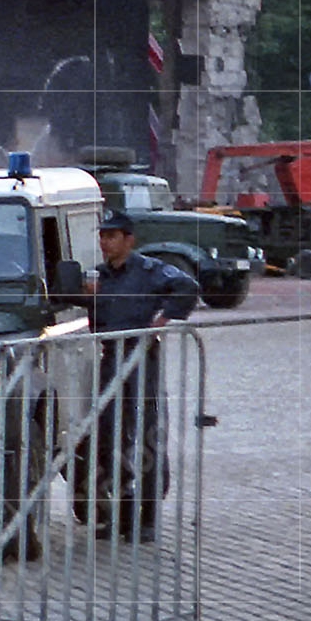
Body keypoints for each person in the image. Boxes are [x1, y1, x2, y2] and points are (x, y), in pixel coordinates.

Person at [74, 210, 198, 543]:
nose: (105, 242)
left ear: (130, 240)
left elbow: (187, 287)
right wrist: (84, 295)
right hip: (110, 360)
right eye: (102, 236)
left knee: (145, 438)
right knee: (110, 438)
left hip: (141, 359)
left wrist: (164, 318)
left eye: (112, 236)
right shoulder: (99, 276)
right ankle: (121, 515)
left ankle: (148, 518)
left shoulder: (149, 271)